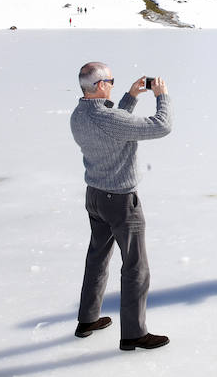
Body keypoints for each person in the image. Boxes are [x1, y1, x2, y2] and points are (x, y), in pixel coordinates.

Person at [70, 62, 172, 351]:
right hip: (121, 201)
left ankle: (87, 319)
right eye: (111, 81)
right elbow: (161, 126)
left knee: (97, 258)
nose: (112, 85)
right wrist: (161, 95)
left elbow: (113, 125)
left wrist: (130, 97)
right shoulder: (106, 118)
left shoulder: (79, 114)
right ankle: (133, 334)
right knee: (136, 266)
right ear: (101, 85)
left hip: (95, 197)